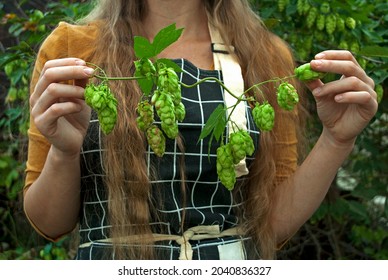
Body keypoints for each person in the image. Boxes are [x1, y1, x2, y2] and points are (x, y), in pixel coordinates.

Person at [23, 0, 378, 260]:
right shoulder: (70, 50)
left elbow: (271, 221)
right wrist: (64, 151)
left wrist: (336, 140)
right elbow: (50, 222)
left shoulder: (265, 56)